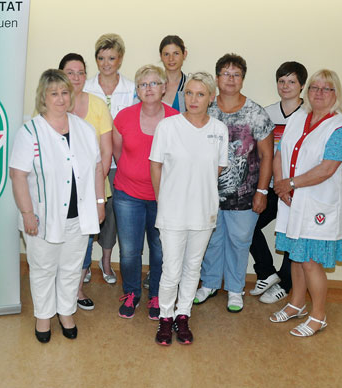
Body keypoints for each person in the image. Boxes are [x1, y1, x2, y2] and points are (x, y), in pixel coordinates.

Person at [10, 69, 105, 343]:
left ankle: (66, 312)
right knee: (43, 267)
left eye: (65, 92)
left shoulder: (85, 129)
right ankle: (43, 315)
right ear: (43, 97)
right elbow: (18, 175)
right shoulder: (30, 132)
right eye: (54, 93)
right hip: (42, 217)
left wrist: (100, 203)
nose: (61, 99)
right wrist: (27, 213)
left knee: (72, 267)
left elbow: (97, 168)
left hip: (79, 216)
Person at [270, 69, 342, 337]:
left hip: (319, 204)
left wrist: (291, 183)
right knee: (296, 257)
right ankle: (297, 303)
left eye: (327, 89)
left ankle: (318, 315)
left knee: (309, 260)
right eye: (314, 88)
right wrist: (279, 183)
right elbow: (279, 152)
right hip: (291, 199)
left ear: (336, 94)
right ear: (307, 92)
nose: (319, 93)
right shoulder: (299, 118)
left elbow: (327, 169)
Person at [150, 72, 228, 345]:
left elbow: (216, 168)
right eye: (189, 93)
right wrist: (164, 199)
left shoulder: (219, 130)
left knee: (192, 268)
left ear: (211, 98)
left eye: (201, 94)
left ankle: (183, 315)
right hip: (172, 211)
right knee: (171, 269)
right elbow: (156, 165)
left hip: (203, 211)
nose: (193, 99)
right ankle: (165, 317)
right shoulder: (167, 127)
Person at [193, 54, 274, 313]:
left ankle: (236, 289)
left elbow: (266, 155)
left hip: (245, 195)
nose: (230, 79)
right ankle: (210, 283)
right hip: (209, 193)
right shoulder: (206, 108)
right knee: (211, 239)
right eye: (225, 74)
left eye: (236, 74)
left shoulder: (256, 113)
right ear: (217, 78)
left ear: (242, 79)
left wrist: (262, 191)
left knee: (240, 241)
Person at [113, 65, 179, 320]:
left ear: (164, 88)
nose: (148, 88)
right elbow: (118, 152)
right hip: (128, 195)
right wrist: (134, 172)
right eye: (143, 84)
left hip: (164, 198)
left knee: (160, 250)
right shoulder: (124, 117)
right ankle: (131, 293)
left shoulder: (176, 119)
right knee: (129, 251)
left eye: (154, 83)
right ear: (137, 90)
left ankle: (156, 295)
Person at [58, 53, 113, 311]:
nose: (76, 77)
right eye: (70, 72)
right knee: (57, 241)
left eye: (81, 72)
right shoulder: (51, 105)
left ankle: (77, 290)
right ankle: (57, 290)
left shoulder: (98, 105)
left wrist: (93, 189)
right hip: (57, 192)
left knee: (84, 243)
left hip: (90, 189)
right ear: (61, 75)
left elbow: (105, 152)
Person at [250, 61, 307, 304]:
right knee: (247, 225)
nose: (285, 86)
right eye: (281, 81)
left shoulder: (310, 116)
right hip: (271, 187)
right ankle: (267, 273)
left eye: (291, 81)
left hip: (299, 188)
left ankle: (285, 283)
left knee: (291, 235)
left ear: (301, 86)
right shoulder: (266, 113)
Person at [83, 33, 136, 284]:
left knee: (112, 215)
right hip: (91, 163)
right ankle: (83, 264)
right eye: (101, 58)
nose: (106, 63)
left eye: (111, 58)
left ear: (120, 59)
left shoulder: (131, 89)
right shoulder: (85, 88)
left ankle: (105, 261)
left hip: (120, 163)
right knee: (87, 211)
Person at [159, 35, 188, 112]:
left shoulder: (190, 86)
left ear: (184, 54)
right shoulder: (153, 85)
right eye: (166, 54)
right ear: (161, 56)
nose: (171, 59)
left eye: (176, 53)